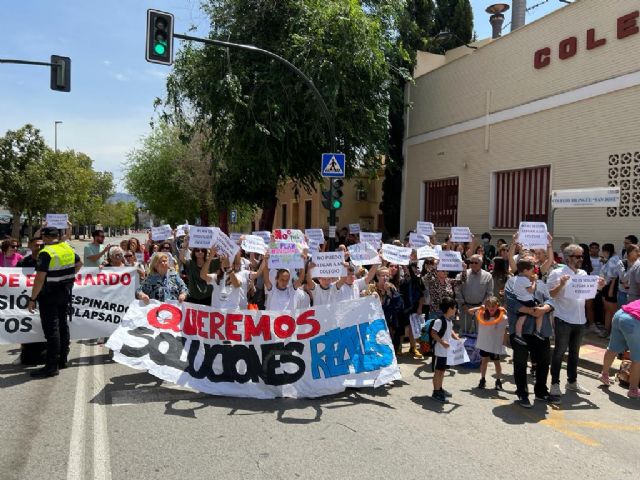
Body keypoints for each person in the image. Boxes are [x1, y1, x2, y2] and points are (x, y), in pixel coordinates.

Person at [548, 244, 605, 397]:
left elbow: (587, 295)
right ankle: (554, 384)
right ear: (568, 258)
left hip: (580, 320)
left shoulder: (583, 273)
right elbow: (551, 295)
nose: (581, 259)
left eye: (582, 256)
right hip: (564, 318)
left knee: (575, 353)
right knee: (559, 353)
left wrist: (598, 287)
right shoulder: (557, 273)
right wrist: (561, 284)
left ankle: (572, 382)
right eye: (578, 256)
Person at [25, 227, 83, 378]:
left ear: (45, 237)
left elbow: (39, 278)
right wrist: (68, 275)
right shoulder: (66, 247)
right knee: (63, 326)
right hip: (65, 292)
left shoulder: (46, 253)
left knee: (52, 330)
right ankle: (62, 360)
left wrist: (32, 299)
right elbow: (80, 262)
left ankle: (51, 366)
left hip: (49, 294)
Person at [505, 273, 558, 407]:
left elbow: (550, 300)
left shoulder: (540, 283)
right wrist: (530, 311)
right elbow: (511, 302)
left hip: (541, 331)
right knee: (520, 363)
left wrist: (544, 309)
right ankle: (522, 394)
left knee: (544, 362)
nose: (532, 269)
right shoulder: (512, 282)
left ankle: (541, 392)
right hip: (521, 332)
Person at [600, 299, 640, 398]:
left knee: (613, 347)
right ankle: (633, 390)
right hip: (633, 320)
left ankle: (604, 374)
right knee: (638, 358)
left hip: (620, 314)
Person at [469, 297, 507, 390]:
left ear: (498, 306)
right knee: (484, 361)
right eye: (489, 306)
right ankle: (482, 379)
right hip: (484, 343)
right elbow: (470, 311)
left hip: (494, 344)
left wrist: (504, 343)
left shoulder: (502, 317)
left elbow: (504, 330)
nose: (491, 308)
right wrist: (480, 307)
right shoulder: (481, 314)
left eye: (493, 306)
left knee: (497, 363)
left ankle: (498, 381)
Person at [430, 297, 459, 403]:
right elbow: (433, 333)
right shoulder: (439, 321)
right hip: (439, 351)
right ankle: (435, 391)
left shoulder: (449, 320)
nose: (456, 309)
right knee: (438, 372)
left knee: (442, 371)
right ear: (449, 309)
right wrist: (442, 342)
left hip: (446, 352)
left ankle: (440, 388)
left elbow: (450, 331)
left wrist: (457, 338)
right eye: (455, 307)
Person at [456, 254, 494, 333]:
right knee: (464, 331)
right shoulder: (462, 274)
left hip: (480, 308)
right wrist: (463, 304)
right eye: (471, 262)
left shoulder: (488, 276)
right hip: (465, 308)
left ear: (481, 264)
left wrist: (481, 306)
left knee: (480, 332)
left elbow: (489, 294)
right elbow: (457, 290)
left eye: (475, 263)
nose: (473, 264)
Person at [180, 238, 218, 305]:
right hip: (193, 297)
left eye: (202, 250)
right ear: (194, 252)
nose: (200, 252)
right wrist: (184, 246)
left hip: (208, 297)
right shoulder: (190, 263)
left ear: (205, 252)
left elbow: (223, 259)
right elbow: (181, 258)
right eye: (197, 250)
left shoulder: (211, 262)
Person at [512, 259, 541, 345]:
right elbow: (531, 290)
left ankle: (518, 335)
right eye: (531, 270)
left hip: (520, 301)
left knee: (521, 319)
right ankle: (538, 330)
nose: (532, 272)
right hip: (527, 301)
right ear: (525, 271)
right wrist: (534, 282)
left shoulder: (517, 278)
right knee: (540, 311)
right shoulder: (524, 280)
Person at [599, 243, 624, 337]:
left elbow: (614, 276)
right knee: (607, 310)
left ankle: (614, 332)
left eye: (603, 251)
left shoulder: (614, 260)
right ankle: (606, 329)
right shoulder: (611, 259)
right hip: (606, 286)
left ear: (607, 251)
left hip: (611, 286)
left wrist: (611, 289)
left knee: (613, 311)